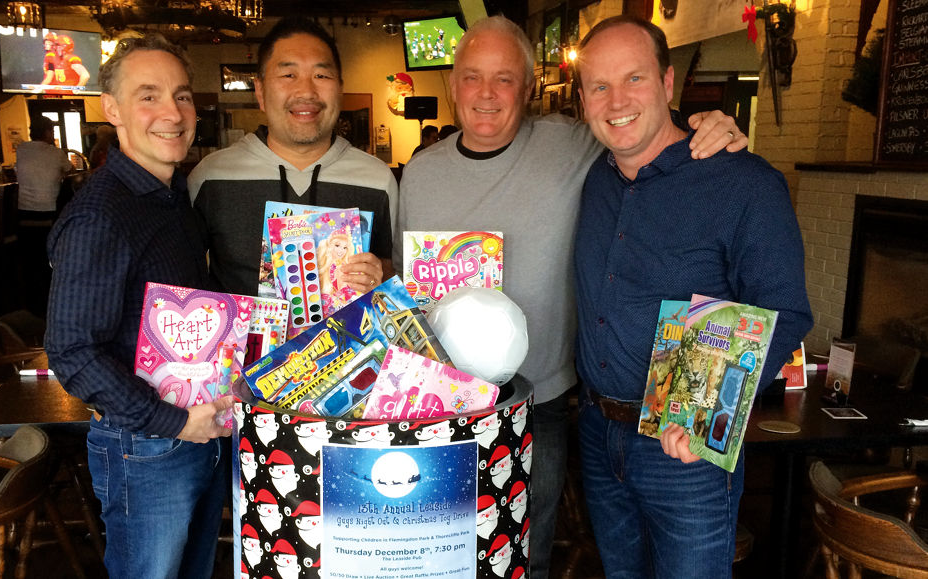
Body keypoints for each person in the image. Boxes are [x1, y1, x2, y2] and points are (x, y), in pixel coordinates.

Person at [395, 15, 747, 579]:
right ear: (452, 83)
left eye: (504, 78)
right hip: (436, 406)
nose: (486, 95)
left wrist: (708, 123)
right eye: (471, 77)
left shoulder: (571, 143)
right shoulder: (418, 174)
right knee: (431, 554)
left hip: (544, 403)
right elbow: (404, 291)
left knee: (525, 553)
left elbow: (636, 120)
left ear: (529, 88)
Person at [572, 16, 813, 577]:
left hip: (686, 452)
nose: (617, 101)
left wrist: (712, 415)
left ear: (667, 83)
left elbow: (785, 308)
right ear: (583, 99)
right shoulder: (595, 177)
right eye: (599, 86)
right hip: (596, 430)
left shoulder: (745, 183)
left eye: (634, 78)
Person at [45, 34, 231, 579]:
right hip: (147, 446)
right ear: (112, 109)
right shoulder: (101, 214)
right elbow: (73, 351)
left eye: (181, 96)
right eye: (148, 95)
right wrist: (172, 422)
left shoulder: (173, 199)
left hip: (198, 430)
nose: (171, 113)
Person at [189, 17, 396, 297]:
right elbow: (184, 279)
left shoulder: (378, 179)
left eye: (321, 75)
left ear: (340, 89)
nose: (306, 91)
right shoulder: (210, 177)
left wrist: (381, 277)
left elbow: (397, 274)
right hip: (237, 341)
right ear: (260, 91)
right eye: (288, 75)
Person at [14, 115, 73, 314]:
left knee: (30, 262)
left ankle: (30, 303)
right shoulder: (56, 153)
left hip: (22, 217)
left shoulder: (21, 149)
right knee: (46, 262)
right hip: (48, 217)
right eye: (52, 131)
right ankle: (51, 299)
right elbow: (70, 169)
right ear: (48, 132)